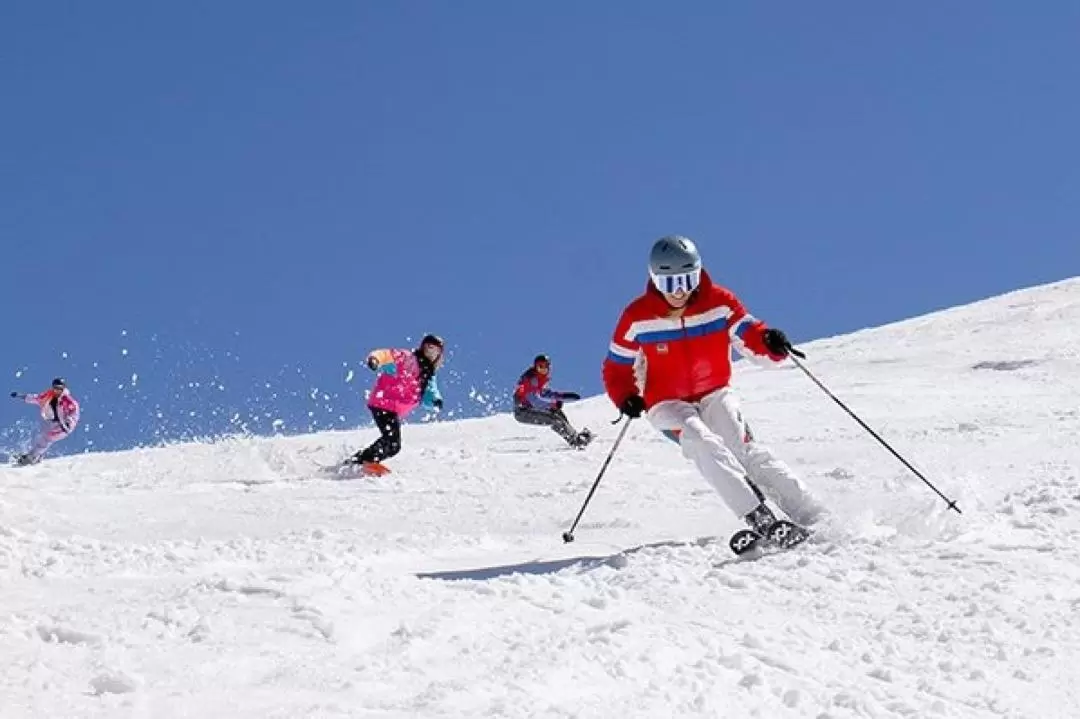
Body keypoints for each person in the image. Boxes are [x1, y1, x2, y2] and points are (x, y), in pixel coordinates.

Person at [601, 235, 826, 545]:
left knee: (742, 449)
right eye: (670, 283)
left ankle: (813, 514)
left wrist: (771, 343)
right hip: (666, 402)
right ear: (654, 280)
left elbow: (750, 333)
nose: (679, 291)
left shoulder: (718, 302)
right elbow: (617, 366)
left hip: (714, 391)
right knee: (701, 441)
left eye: (687, 280)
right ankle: (758, 516)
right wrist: (626, 396)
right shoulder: (637, 317)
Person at [346, 334, 445, 475]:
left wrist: (436, 400)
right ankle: (364, 461)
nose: (430, 353)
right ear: (422, 347)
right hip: (382, 403)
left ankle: (359, 460)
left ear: (439, 356)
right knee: (392, 442)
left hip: (392, 409)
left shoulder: (429, 375)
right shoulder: (407, 358)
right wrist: (375, 359)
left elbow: (429, 394)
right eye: (428, 348)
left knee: (393, 445)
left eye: (435, 351)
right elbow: (387, 355)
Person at [512, 354, 593, 449]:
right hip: (522, 412)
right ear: (535, 367)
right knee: (554, 419)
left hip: (529, 409)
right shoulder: (531, 380)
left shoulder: (539, 379)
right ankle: (575, 441)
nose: (543, 369)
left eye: (545, 366)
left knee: (557, 412)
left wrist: (563, 396)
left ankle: (575, 436)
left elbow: (545, 393)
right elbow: (534, 400)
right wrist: (552, 404)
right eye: (540, 366)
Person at [9, 377, 80, 466]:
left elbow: (74, 413)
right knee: (41, 436)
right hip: (54, 422)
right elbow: (36, 398)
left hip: (64, 426)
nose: (57, 391)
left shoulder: (68, 401)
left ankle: (32, 458)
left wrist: (69, 422)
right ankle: (35, 456)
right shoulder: (48, 395)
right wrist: (21, 396)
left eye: (60, 388)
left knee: (47, 438)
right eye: (55, 388)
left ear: (63, 388)